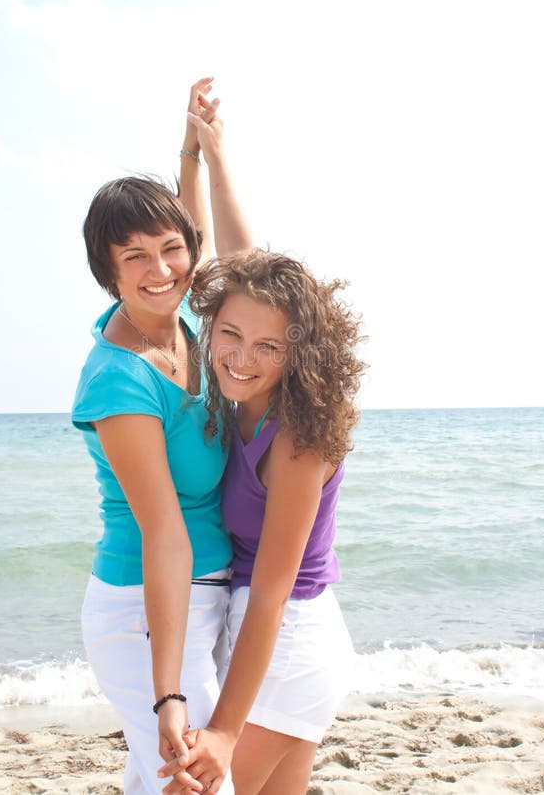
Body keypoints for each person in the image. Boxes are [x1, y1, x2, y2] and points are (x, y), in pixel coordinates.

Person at [71, 78, 251, 794]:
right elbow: (163, 536)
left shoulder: (182, 320)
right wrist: (167, 690)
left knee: (166, 783)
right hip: (143, 608)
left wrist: (193, 152)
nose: (161, 271)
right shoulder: (118, 381)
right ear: (107, 273)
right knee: (202, 780)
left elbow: (193, 236)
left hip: (206, 590)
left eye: (169, 251)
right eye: (134, 259)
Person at [159, 250, 364, 795]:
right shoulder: (239, 399)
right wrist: (202, 162)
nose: (242, 356)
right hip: (272, 634)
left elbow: (273, 595)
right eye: (230, 334)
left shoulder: (298, 439)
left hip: (291, 638)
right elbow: (231, 254)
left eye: (268, 346)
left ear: (296, 355)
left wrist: (225, 732)